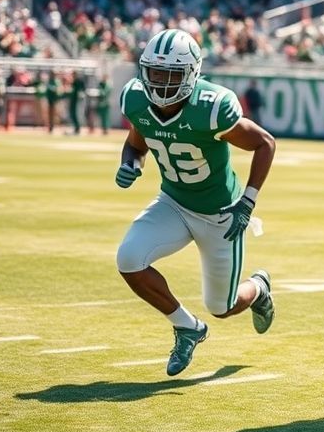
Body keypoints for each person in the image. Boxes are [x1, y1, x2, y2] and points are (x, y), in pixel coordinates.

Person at [115, 28, 277, 377]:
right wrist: (130, 162)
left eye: (168, 76)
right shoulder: (137, 99)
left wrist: (247, 201)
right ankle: (187, 327)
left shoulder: (212, 107)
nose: (158, 83)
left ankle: (259, 287)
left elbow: (264, 143)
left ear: (191, 74)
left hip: (222, 214)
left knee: (223, 306)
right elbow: (137, 142)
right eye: (153, 73)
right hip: (173, 202)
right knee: (129, 259)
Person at [68, 70, 86, 135]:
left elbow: (83, 90)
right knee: (73, 114)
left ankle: (78, 128)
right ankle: (76, 128)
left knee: (77, 114)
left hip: (78, 101)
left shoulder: (79, 81)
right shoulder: (74, 82)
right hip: (73, 101)